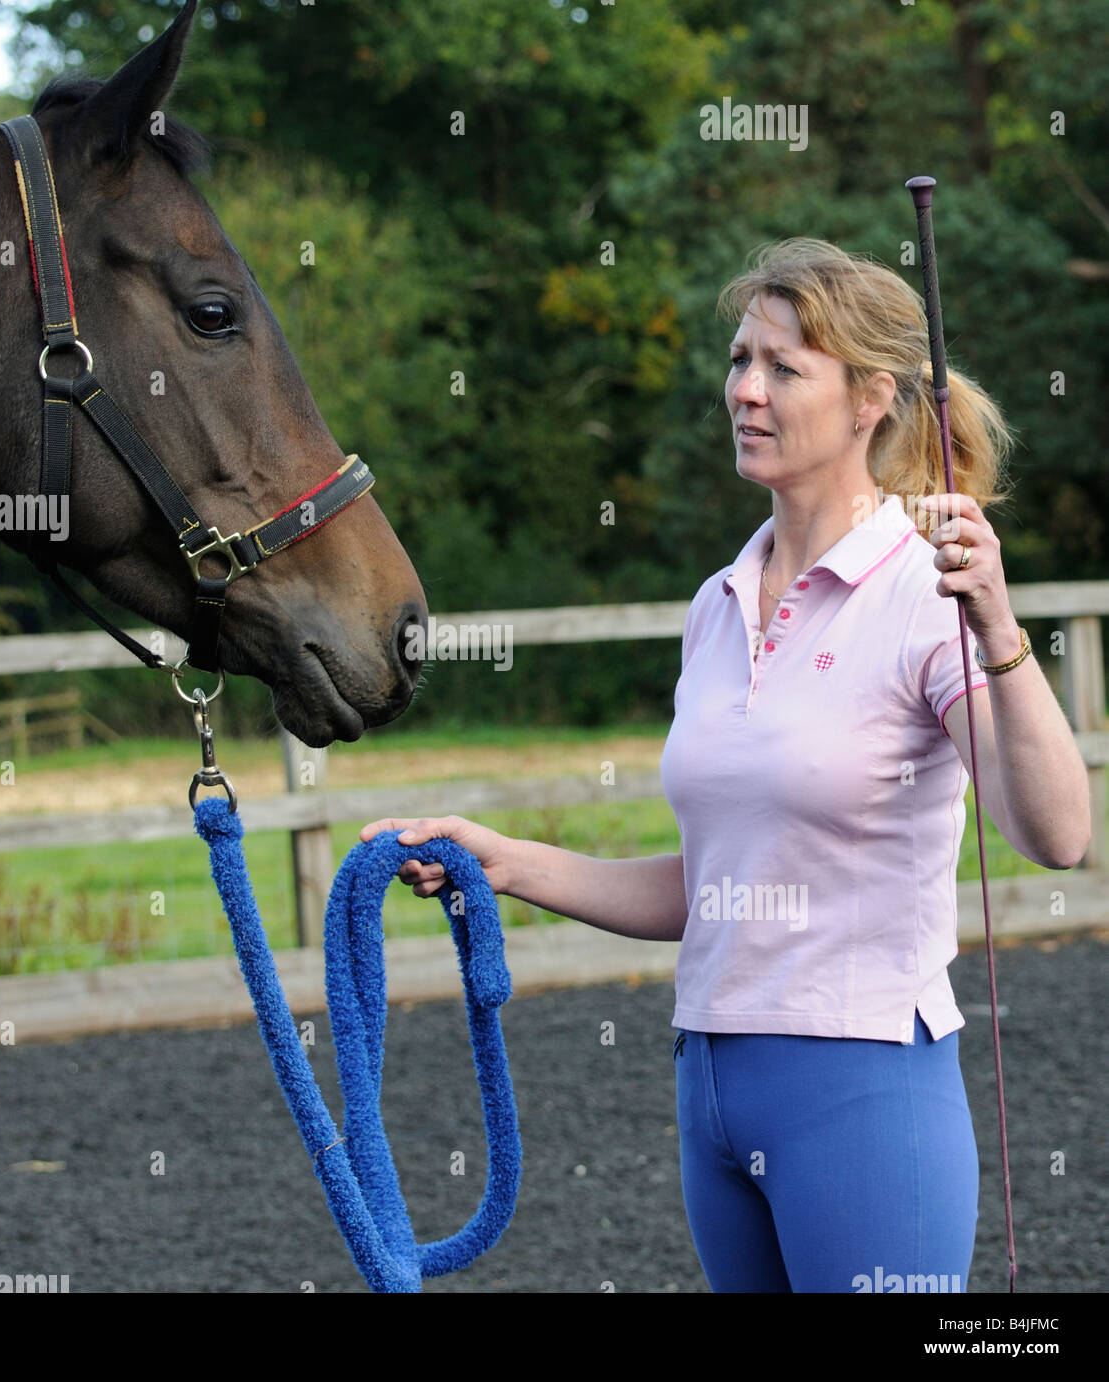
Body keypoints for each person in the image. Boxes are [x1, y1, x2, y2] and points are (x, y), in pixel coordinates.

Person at [359, 238, 1092, 1293]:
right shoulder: (716, 603)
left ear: (868, 400)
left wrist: (1000, 630)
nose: (745, 390)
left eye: (783, 368)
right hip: (706, 1078)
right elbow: (713, 888)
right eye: (739, 360)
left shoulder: (927, 594)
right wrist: (502, 860)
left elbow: (1059, 834)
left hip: (863, 1086)